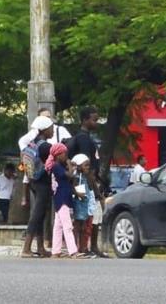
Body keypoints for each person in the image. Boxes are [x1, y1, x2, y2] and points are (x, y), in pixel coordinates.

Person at [67, 106, 108, 258]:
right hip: (86, 183)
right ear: (85, 120)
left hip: (89, 182)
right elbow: (86, 166)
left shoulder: (86, 137)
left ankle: (91, 246)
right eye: (94, 120)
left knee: (92, 214)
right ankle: (85, 247)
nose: (96, 123)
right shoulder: (83, 138)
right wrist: (96, 190)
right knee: (85, 214)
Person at [20, 116, 54, 258]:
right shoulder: (45, 146)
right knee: (37, 214)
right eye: (51, 128)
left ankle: (40, 248)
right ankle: (26, 248)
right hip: (42, 184)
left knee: (40, 215)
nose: (52, 130)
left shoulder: (32, 144)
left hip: (34, 181)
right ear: (44, 130)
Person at [45, 143, 83, 259]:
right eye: (64, 153)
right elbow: (70, 176)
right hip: (62, 199)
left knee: (58, 225)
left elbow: (69, 181)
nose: (66, 155)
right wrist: (69, 164)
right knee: (67, 225)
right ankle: (73, 251)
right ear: (57, 155)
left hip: (63, 197)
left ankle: (56, 251)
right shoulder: (56, 166)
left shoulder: (59, 166)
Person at [72, 154, 96, 258]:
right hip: (78, 205)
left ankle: (83, 248)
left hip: (84, 206)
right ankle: (75, 247)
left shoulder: (86, 177)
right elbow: (75, 190)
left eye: (88, 165)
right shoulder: (77, 178)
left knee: (84, 227)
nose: (88, 167)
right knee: (77, 227)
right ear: (78, 166)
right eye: (85, 165)